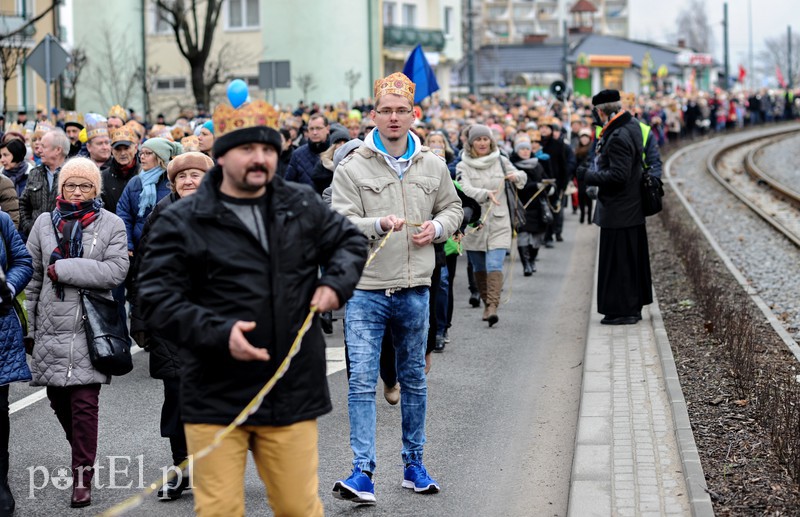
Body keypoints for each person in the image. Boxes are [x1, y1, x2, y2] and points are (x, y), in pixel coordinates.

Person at [138, 99, 367, 516]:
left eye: (267, 149)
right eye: (247, 149)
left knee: (298, 507)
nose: (260, 159)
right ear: (222, 156)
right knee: (219, 510)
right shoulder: (181, 219)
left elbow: (348, 242)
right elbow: (154, 296)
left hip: (291, 388)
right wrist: (218, 332)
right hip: (213, 391)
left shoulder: (300, 202)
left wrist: (335, 283)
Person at [331, 72, 462, 504]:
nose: (392, 117)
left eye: (400, 110)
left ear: (413, 114)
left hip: (415, 289)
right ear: (374, 115)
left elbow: (453, 206)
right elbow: (340, 222)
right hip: (367, 289)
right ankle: (362, 472)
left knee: (414, 382)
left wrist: (439, 227)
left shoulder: (433, 164)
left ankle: (414, 464)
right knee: (361, 384)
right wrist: (378, 224)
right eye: (385, 110)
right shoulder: (352, 166)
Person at [25, 157, 129, 508]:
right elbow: (35, 276)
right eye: (71, 184)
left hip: (89, 327)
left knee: (85, 403)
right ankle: (83, 452)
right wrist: (31, 325)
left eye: (86, 186)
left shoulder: (111, 223)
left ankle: (82, 476)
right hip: (52, 325)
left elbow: (115, 271)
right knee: (58, 400)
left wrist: (65, 268)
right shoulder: (43, 223)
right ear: (61, 187)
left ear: (95, 189)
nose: (78, 191)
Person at [128, 152, 213, 501]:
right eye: (182, 177)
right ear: (173, 183)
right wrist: (141, 319)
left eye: (196, 175)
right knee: (177, 398)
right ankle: (182, 468)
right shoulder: (160, 214)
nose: (190, 181)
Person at [585, 90, 653, 325]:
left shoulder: (618, 135)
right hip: (630, 208)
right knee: (630, 260)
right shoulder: (632, 125)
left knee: (620, 263)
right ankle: (631, 306)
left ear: (602, 111)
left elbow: (618, 175)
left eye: (596, 112)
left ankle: (624, 310)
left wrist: (589, 176)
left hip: (619, 210)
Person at [457, 124, 526, 326]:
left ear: (491, 141)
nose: (482, 143)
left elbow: (522, 177)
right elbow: (464, 188)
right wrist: (484, 194)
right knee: (479, 266)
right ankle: (487, 301)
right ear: (471, 143)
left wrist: (516, 177)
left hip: (499, 221)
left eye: (485, 139)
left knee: (494, 264)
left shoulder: (501, 161)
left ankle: (493, 306)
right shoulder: (463, 165)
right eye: (477, 140)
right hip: (476, 224)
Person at [0, 209, 33, 515]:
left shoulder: (1, 221)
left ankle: (0, 483)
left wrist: (7, 288)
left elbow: (23, 262)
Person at [19, 129, 69, 238]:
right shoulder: (35, 173)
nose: (39, 150)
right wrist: (29, 227)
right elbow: (23, 204)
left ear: (58, 150)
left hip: (64, 240)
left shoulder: (74, 174)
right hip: (36, 239)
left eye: (44, 147)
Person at [285, 113, 330, 186]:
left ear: (327, 129)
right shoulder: (297, 155)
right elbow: (288, 186)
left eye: (318, 128)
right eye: (311, 129)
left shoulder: (336, 152)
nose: (314, 132)